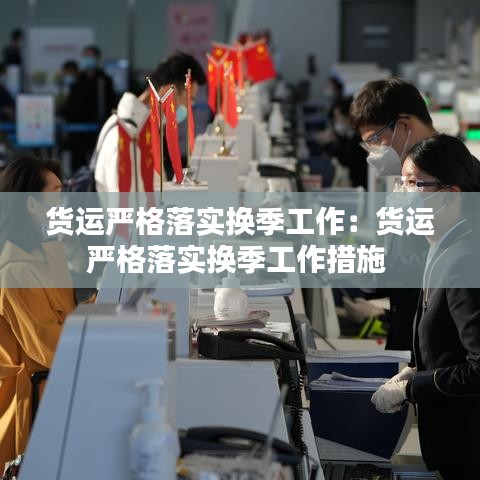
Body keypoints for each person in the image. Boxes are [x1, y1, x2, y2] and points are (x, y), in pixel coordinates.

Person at [371, 134, 480, 479]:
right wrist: (415, 370)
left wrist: (413, 387)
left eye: (414, 184)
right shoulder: (442, 248)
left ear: (451, 195)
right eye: (402, 183)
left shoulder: (464, 261)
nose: (403, 196)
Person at [0, 157, 77, 467]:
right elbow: (51, 348)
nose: (63, 202)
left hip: (48, 390)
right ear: (31, 204)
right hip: (31, 402)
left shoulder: (41, 254)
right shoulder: (17, 271)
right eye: (56, 194)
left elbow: (64, 316)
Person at [94, 51, 206, 192]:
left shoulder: (136, 127)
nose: (189, 108)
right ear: (168, 91)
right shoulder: (130, 135)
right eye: (189, 100)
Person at [64, 45, 116, 171]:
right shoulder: (78, 79)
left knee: (97, 163)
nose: (87, 58)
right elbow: (71, 103)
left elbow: (110, 102)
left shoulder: (104, 79)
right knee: (77, 163)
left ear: (97, 58)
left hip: (97, 127)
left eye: (90, 56)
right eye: (85, 56)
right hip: (77, 130)